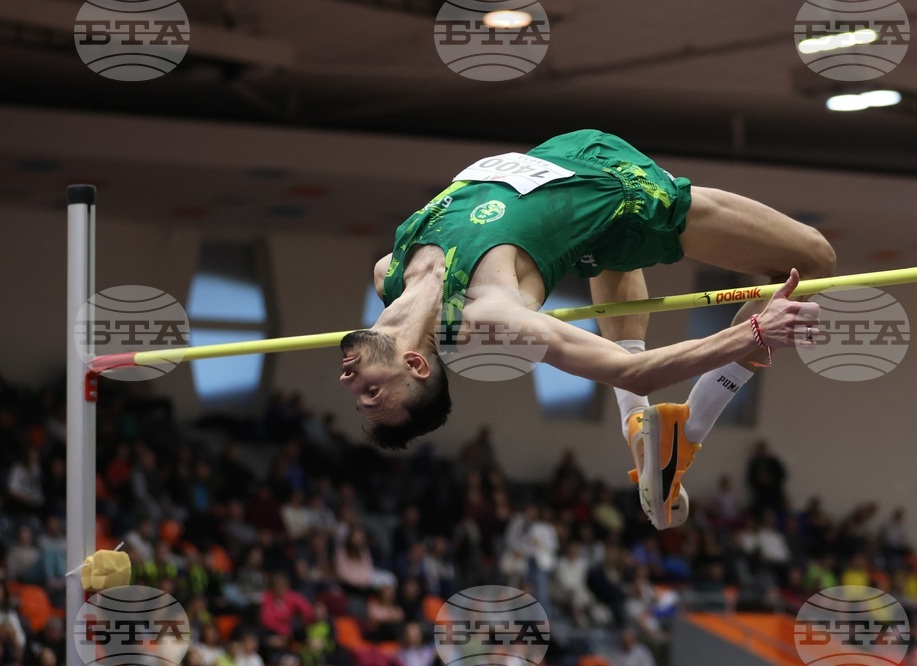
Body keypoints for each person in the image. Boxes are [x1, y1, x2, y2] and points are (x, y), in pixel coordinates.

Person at [339, 129, 833, 529]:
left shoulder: (389, 274)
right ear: (416, 364)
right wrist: (756, 330)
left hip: (561, 164)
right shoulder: (487, 314)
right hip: (620, 191)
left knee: (606, 251)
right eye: (372, 394)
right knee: (814, 258)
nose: (349, 383)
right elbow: (634, 370)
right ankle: (692, 426)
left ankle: (638, 424)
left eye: (360, 396)